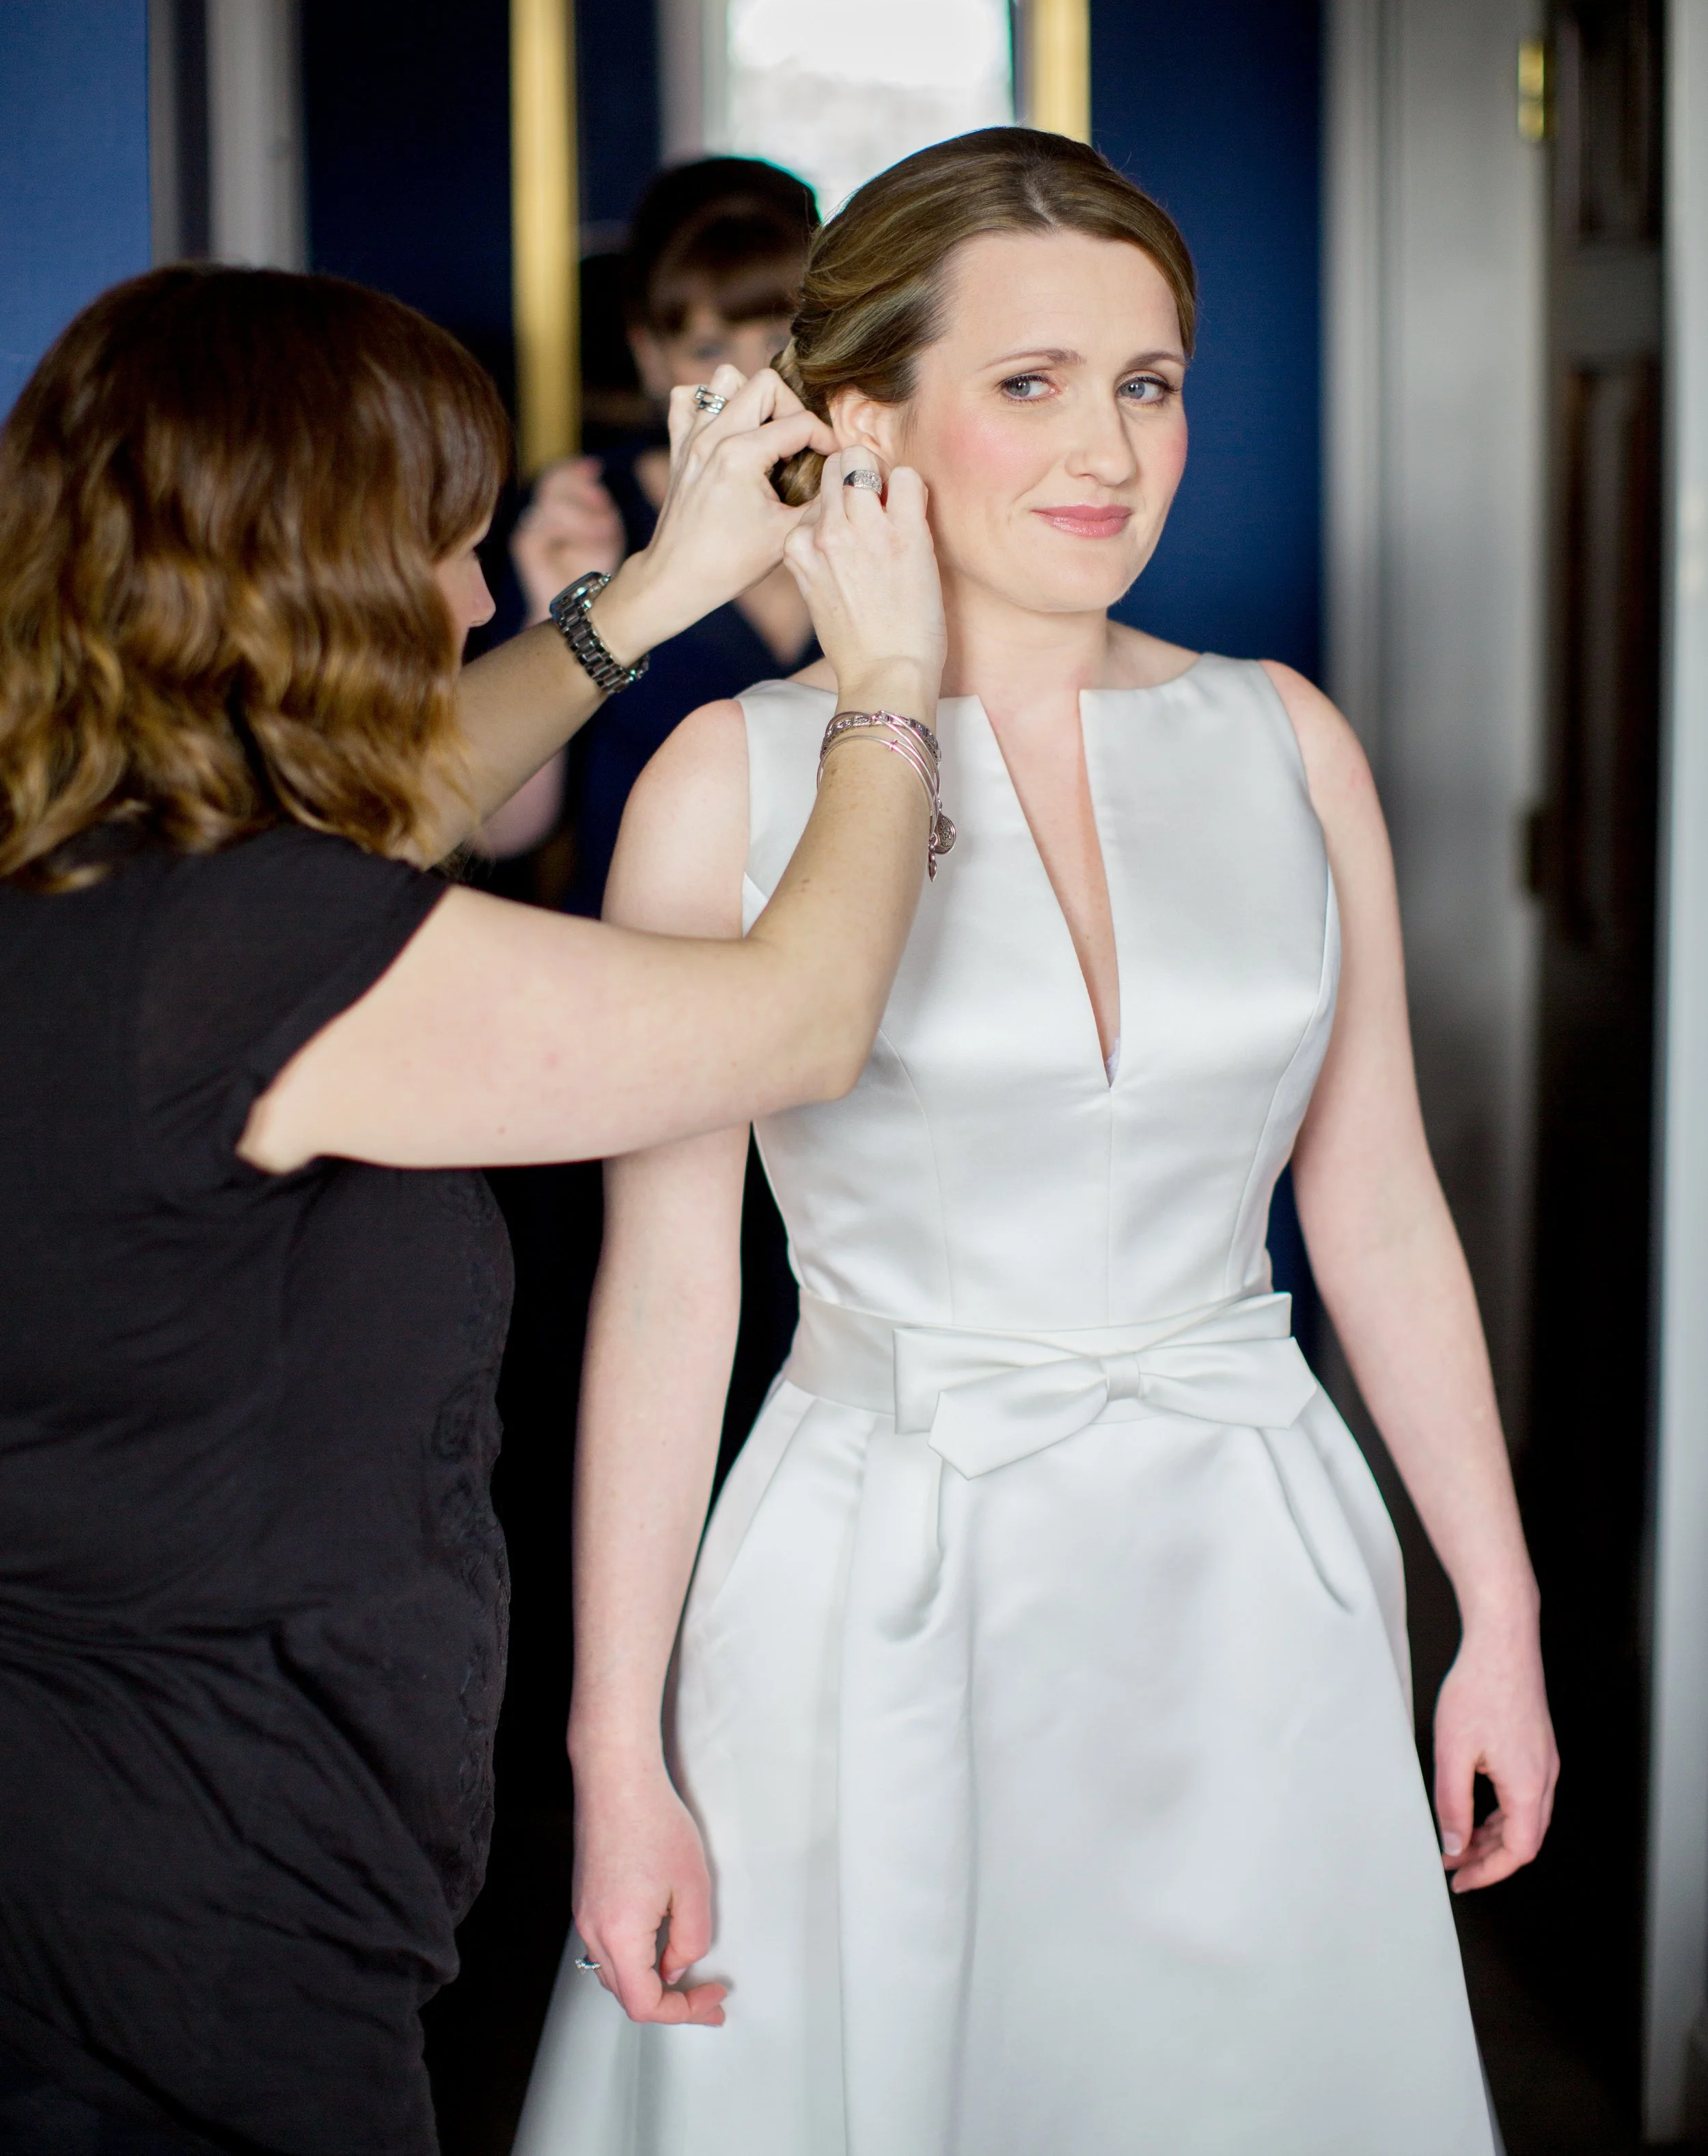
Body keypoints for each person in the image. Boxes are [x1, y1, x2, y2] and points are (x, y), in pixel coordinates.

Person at [515, 128, 1559, 2155]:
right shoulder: (720, 788)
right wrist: (609, 1744)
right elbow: (661, 1302)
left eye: (1145, 382)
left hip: (1256, 1590)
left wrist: (1490, 1616)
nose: (1109, 449)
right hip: (869, 1588)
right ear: (863, 418)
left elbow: (1375, 1211)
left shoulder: (1283, 736)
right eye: (1030, 382)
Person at [0, 264, 946, 2156]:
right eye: (433, 549)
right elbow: (800, 1017)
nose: (462, 599)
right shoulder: (248, 949)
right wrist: (892, 685)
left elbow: (382, 808)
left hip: (101, 1834)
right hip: (192, 1898)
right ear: (303, 572)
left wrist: (650, 598)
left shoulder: (110, 868)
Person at [486, 156, 823, 907]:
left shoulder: (891, 510)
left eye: (781, 337)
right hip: (634, 974)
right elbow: (497, 828)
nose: (751, 384)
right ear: (648, 354)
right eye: (707, 349)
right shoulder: (580, 514)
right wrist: (561, 611)